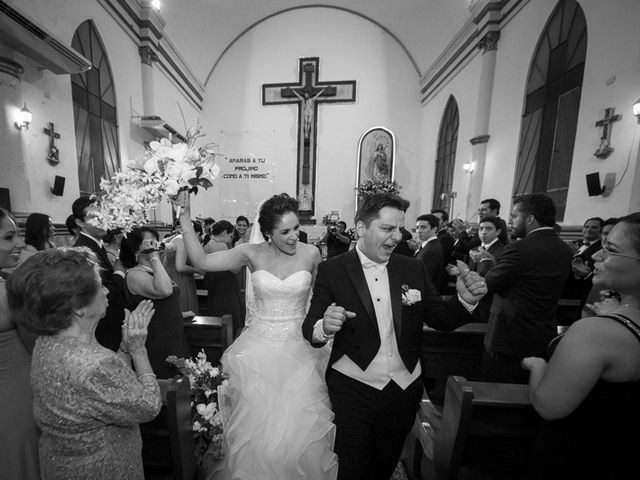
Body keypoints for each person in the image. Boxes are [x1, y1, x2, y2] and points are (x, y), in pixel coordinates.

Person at [302, 192, 487, 480]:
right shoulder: (333, 270)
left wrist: (464, 302)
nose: (397, 236)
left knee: (385, 463)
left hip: (404, 386)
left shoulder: (413, 268)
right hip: (353, 387)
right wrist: (324, 326)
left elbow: (439, 318)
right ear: (362, 229)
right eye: (387, 228)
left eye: (400, 228)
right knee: (351, 467)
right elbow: (309, 329)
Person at [175, 190, 338, 479]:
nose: (293, 237)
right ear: (266, 233)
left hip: (300, 349)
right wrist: (185, 218)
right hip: (258, 351)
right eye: (284, 231)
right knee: (257, 428)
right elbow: (200, 262)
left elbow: (325, 295)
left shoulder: (311, 254)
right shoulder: (250, 253)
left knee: (298, 429)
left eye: (296, 229)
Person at [6, 248, 162, 479]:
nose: (107, 290)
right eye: (100, 286)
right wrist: (138, 350)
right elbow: (148, 405)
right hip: (102, 467)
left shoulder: (45, 343)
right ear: (78, 306)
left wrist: (124, 348)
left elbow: (101, 391)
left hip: (61, 463)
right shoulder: (96, 363)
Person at [522, 212, 640, 479]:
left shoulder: (596, 333)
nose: (597, 256)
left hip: (582, 456)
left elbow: (548, 405)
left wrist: (538, 365)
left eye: (611, 249)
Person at [481, 194, 573, 384]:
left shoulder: (521, 248)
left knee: (500, 388)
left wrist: (484, 262)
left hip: (510, 333)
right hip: (542, 331)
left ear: (530, 219)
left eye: (514, 216)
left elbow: (491, 283)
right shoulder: (563, 248)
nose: (511, 222)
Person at [0, 208, 39, 480]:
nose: (20, 244)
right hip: (15, 402)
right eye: (8, 237)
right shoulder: (7, 293)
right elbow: (42, 342)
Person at [119, 227, 189, 379]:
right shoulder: (134, 274)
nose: (155, 246)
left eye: (155, 241)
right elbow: (164, 290)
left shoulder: (152, 270)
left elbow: (162, 304)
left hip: (173, 334)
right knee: (167, 382)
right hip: (158, 339)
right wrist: (154, 258)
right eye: (149, 243)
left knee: (180, 382)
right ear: (136, 249)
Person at [72, 196, 125, 351]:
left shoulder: (96, 245)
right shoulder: (84, 251)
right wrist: (119, 274)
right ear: (79, 222)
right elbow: (100, 294)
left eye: (104, 216)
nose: (102, 221)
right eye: (94, 217)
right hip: (103, 331)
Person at [203, 220, 244, 335]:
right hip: (225, 289)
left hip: (214, 288)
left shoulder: (207, 245)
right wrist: (238, 250)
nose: (231, 239)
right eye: (231, 236)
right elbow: (235, 269)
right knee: (230, 322)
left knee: (218, 318)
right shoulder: (220, 246)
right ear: (225, 232)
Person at [163, 232, 199, 315]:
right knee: (183, 307)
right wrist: (197, 270)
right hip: (180, 279)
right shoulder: (182, 241)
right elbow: (180, 267)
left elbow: (165, 262)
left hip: (170, 276)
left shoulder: (173, 239)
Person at [414, 214, 445, 293]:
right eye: (417, 227)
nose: (418, 231)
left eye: (423, 227)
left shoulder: (430, 251)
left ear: (434, 229)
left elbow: (425, 279)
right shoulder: (430, 245)